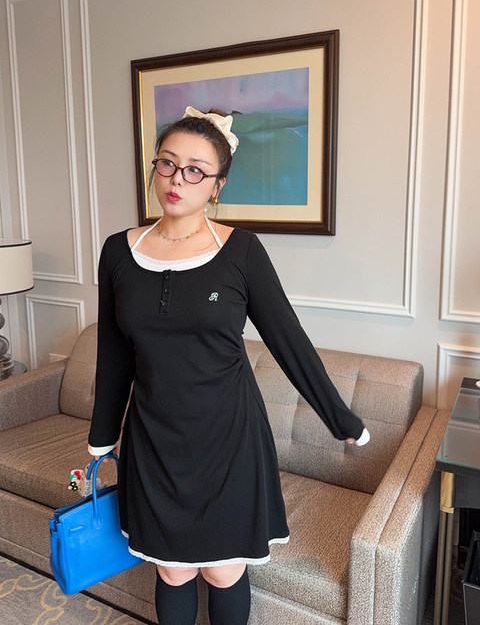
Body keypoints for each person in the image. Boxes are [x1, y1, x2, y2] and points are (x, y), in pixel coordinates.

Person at [87, 106, 370, 625]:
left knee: (223, 571)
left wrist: (339, 417)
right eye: (167, 163)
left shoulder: (241, 250)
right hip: (154, 437)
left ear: (217, 186)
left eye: (196, 170)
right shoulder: (118, 252)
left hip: (230, 439)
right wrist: (102, 436)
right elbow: (114, 352)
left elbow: (288, 340)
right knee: (172, 570)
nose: (177, 179)